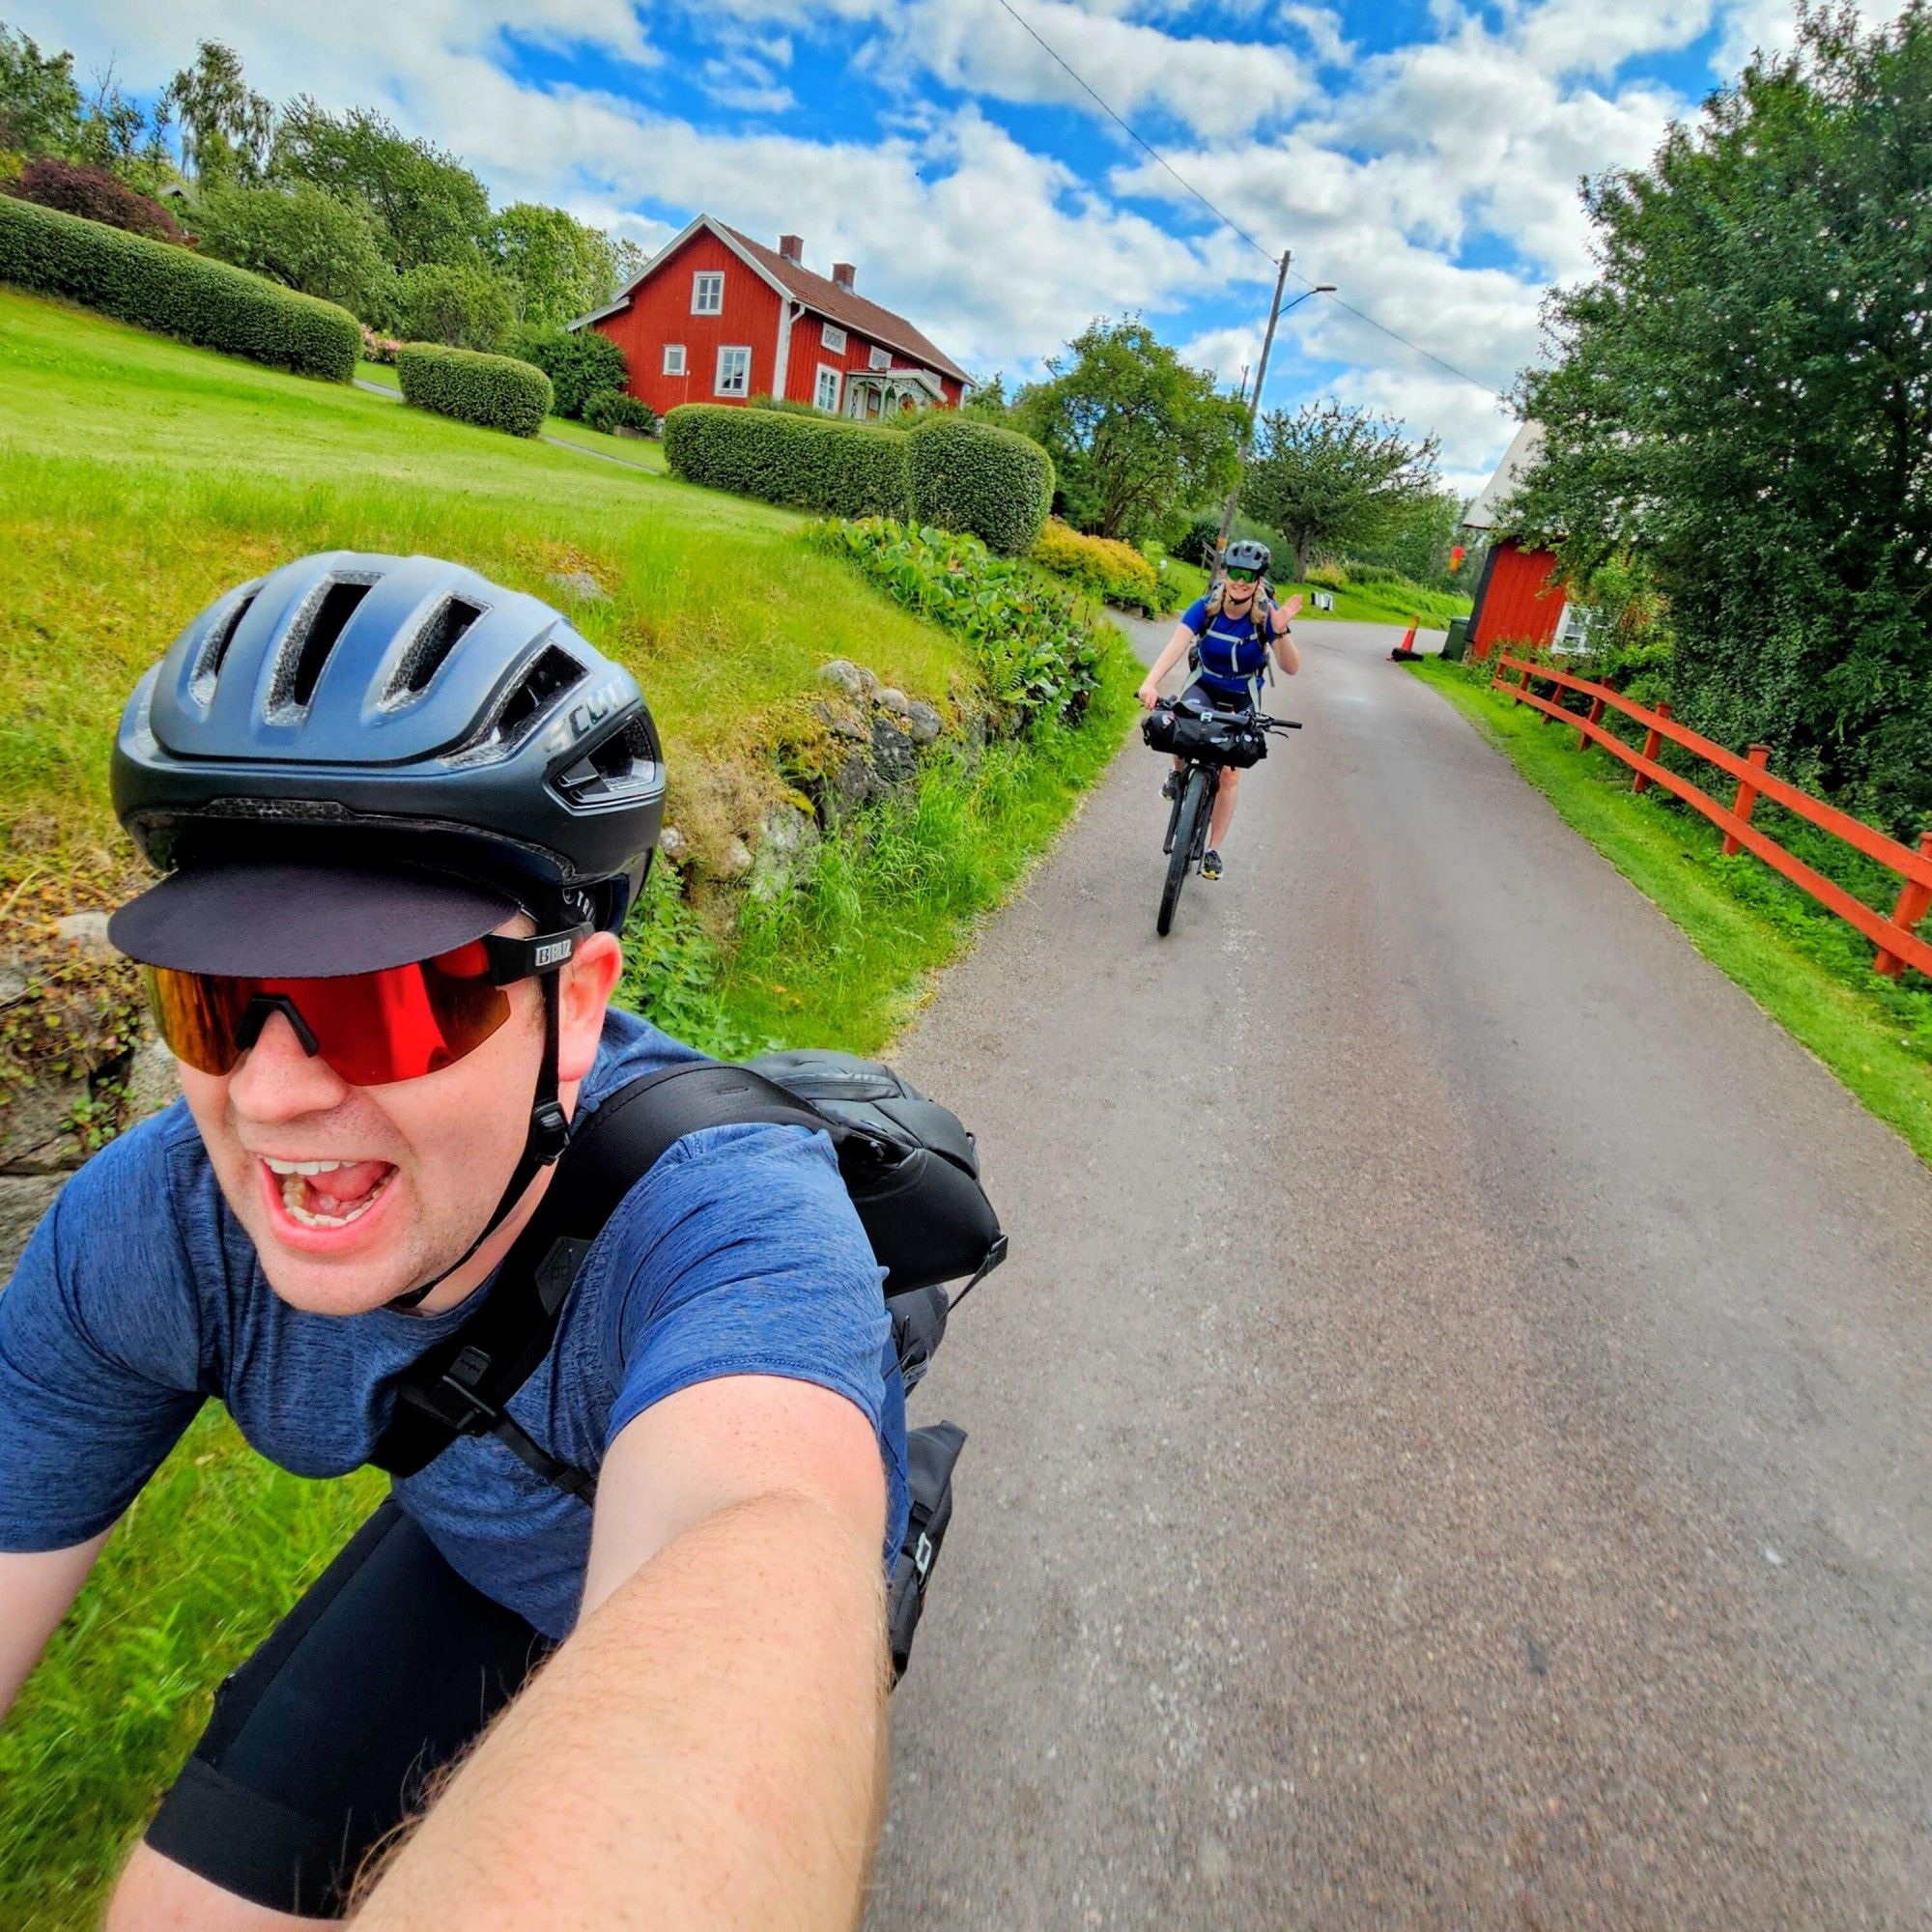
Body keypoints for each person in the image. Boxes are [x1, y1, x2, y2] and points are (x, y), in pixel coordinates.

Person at [0, 553, 908, 1930]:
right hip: (478, 1553)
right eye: (215, 999)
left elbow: (757, 1526)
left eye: (386, 1006)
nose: (270, 1093)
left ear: (581, 1006)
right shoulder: (162, 1226)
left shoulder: (735, 1218)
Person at [1136, 539, 1302, 879]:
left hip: (1243, 692)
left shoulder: (1266, 616)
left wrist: (1281, 630)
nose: (1240, 581)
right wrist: (1150, 683)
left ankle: (1213, 851)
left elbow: (1291, 668)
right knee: (1183, 727)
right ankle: (1178, 773)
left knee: (1229, 773)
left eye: (1249, 575)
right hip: (1206, 683)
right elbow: (1176, 645)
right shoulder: (1206, 607)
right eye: (1235, 572)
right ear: (1226, 573)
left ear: (1258, 580)